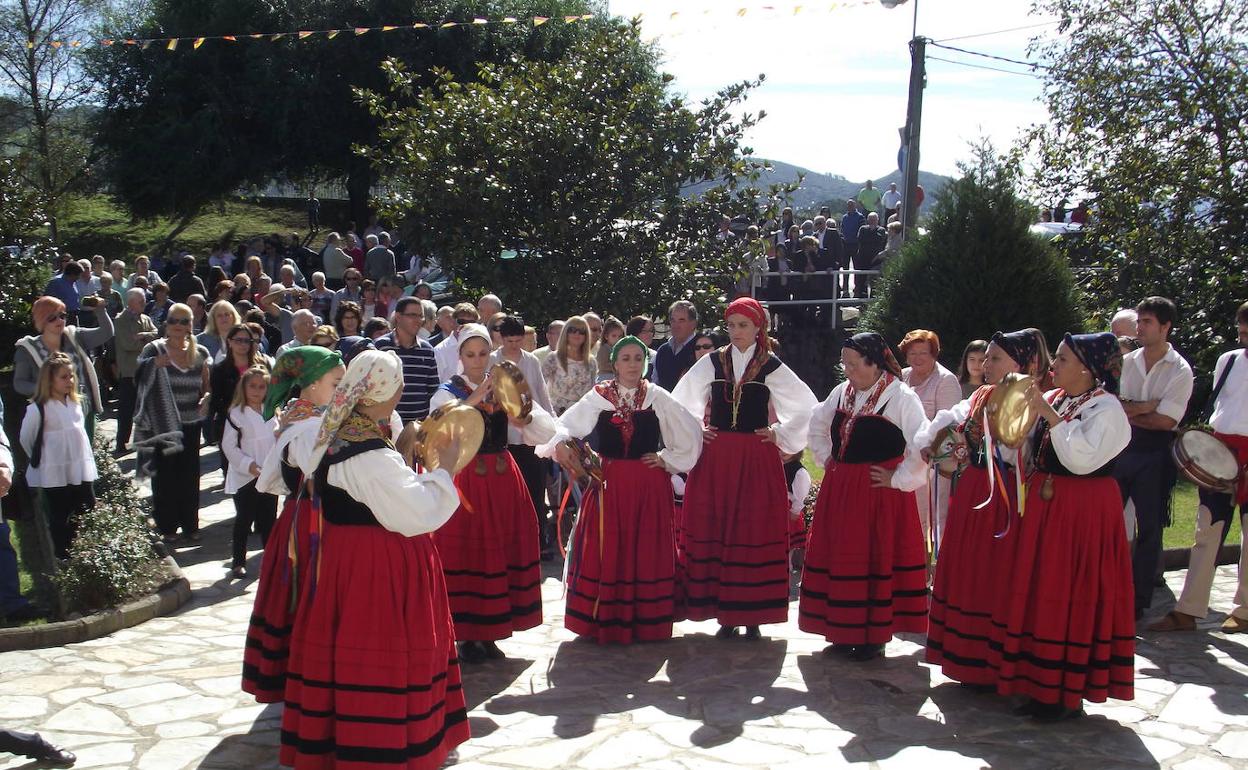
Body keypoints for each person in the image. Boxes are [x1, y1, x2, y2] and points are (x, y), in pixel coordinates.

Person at [279, 350, 467, 770]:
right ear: (389, 389)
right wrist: (445, 470)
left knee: (346, 649)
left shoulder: (333, 430)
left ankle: (339, 738)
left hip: (343, 558)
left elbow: (288, 470)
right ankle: (377, 747)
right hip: (377, 564)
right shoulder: (365, 452)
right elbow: (416, 512)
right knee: (379, 652)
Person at [992, 332, 1133, 721]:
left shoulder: (1108, 411)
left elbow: (1081, 459)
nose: (1053, 366)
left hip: (1084, 510)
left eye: (1063, 360)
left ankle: (1066, 692)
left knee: (1071, 591)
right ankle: (1039, 684)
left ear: (1087, 369)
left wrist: (1049, 416)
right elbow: (1023, 446)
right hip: (1047, 504)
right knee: (1042, 589)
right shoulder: (1058, 399)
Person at [671, 297, 817, 639]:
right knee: (719, 526)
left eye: (744, 325)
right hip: (717, 455)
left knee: (752, 528)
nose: (737, 332)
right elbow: (680, 401)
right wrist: (696, 431)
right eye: (732, 325)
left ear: (758, 328)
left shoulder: (770, 365)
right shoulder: (712, 362)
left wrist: (779, 433)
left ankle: (752, 613)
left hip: (755, 456)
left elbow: (808, 406)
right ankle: (723, 611)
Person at [541, 335, 703, 643]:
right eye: (626, 358)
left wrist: (667, 458)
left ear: (645, 363)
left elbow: (689, 432)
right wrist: (561, 445)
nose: (632, 364)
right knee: (609, 544)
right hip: (610, 483)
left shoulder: (657, 396)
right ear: (614, 363)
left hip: (648, 484)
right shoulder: (599, 396)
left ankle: (646, 619)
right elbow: (565, 425)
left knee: (645, 546)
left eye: (638, 359)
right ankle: (604, 617)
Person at [915, 329, 1050, 685]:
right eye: (986, 357)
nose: (986, 364)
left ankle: (990, 659)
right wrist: (932, 441)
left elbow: (1016, 447)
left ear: (1020, 363)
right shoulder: (982, 395)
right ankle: (967, 657)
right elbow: (947, 420)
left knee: (992, 574)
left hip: (1005, 496)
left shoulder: (1032, 399)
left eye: (995, 358)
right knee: (967, 569)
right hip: (975, 489)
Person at [429, 324, 556, 663]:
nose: (477, 360)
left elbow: (541, 427)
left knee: (500, 547)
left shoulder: (503, 386)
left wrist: (521, 416)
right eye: (470, 354)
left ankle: (494, 629)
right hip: (465, 478)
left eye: (483, 353)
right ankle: (468, 634)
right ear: (459, 356)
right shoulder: (447, 391)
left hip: (501, 474)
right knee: (468, 551)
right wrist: (474, 398)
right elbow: (437, 429)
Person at [800, 333, 929, 661]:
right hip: (842, 489)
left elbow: (922, 443)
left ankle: (874, 635)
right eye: (845, 363)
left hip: (877, 493)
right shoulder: (841, 393)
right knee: (843, 556)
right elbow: (817, 424)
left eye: (854, 364)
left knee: (873, 557)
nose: (848, 370)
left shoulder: (900, 396)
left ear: (874, 363)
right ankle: (843, 630)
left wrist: (898, 477)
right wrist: (828, 458)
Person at [242, 346, 345, 703]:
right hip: (309, 524)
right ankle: (303, 675)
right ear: (313, 383)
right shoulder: (306, 425)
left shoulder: (306, 418)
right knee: (306, 595)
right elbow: (317, 468)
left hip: (309, 518)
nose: (342, 388)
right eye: (337, 381)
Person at [1152, 302, 1248, 634]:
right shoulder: (1229, 360)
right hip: (1222, 450)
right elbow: (1221, 404)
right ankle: (1189, 609)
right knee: (1206, 529)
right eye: (1240, 327)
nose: (1242, 333)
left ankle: (1246, 608)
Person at [1114, 297, 1194, 620]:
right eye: (1139, 321)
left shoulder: (1180, 370)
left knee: (1149, 528)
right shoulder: (1128, 361)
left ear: (1165, 327)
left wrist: (1134, 410)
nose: (1140, 328)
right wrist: (1144, 407)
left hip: (1156, 452)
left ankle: (1138, 600)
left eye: (1146, 322)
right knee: (1108, 520)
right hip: (1123, 447)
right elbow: (1116, 406)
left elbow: (1166, 421)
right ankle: (1105, 589)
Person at [134, 303, 209, 543]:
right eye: (174, 320)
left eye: (184, 321)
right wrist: (153, 365)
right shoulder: (153, 350)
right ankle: (167, 526)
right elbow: (136, 379)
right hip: (162, 425)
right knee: (165, 479)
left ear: (191, 325)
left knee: (189, 477)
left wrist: (207, 399)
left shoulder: (200, 353)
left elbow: (206, 387)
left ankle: (190, 525)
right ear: (166, 323)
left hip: (190, 424)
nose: (178, 326)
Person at [20, 353, 97, 560]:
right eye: (63, 377)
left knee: (87, 508)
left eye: (71, 376)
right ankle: (63, 555)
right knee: (60, 514)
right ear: (50, 379)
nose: (70, 381)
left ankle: (87, 550)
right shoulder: (38, 409)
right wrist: (45, 461)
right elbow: (26, 438)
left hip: (79, 468)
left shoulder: (77, 404)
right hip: (55, 471)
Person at [490, 315, 557, 557]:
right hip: (502, 434)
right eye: (510, 340)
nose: (515, 345)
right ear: (501, 338)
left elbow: (541, 394)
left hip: (530, 434)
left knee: (535, 489)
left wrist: (551, 428)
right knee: (505, 493)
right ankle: (508, 544)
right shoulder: (491, 360)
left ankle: (538, 542)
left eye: (519, 340)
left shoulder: (531, 361)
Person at [15, 296, 114, 439]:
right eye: (52, 318)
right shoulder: (27, 349)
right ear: (41, 320)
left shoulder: (75, 336)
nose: (59, 321)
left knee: (85, 456)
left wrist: (100, 309)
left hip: (83, 408)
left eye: (62, 316)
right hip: (51, 414)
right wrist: (47, 389)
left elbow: (107, 332)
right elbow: (19, 383)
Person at [900, 330, 962, 543]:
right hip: (901, 461)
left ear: (934, 354)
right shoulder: (902, 376)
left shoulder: (946, 381)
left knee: (930, 520)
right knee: (904, 519)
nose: (916, 358)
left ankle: (931, 572)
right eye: (912, 353)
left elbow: (950, 427)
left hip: (931, 465)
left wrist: (930, 451)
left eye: (923, 353)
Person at [221, 366, 279, 579]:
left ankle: (271, 558)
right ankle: (238, 561)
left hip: (268, 473)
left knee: (269, 519)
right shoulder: (236, 415)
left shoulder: (272, 411)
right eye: (252, 386)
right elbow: (229, 446)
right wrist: (248, 465)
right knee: (244, 518)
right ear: (243, 388)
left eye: (261, 386)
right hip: (246, 475)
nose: (256, 391)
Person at [207, 323, 271, 464]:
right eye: (238, 340)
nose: (243, 344)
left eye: (247, 341)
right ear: (229, 342)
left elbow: (270, 394)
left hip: (260, 423)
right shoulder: (220, 369)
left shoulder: (261, 366)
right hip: (232, 424)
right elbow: (216, 400)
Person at [374, 297, 440, 423]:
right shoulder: (380, 347)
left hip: (418, 428)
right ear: (398, 317)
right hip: (387, 427)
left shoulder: (427, 350)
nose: (418, 321)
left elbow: (433, 390)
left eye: (420, 316)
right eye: (412, 315)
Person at [112, 289, 159, 453]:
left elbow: (157, 335)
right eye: (141, 301)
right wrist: (146, 341)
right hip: (129, 371)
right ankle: (121, 442)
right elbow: (127, 344)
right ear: (131, 302)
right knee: (127, 408)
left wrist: (142, 335)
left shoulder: (145, 318)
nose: (144, 304)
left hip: (147, 370)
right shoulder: (120, 320)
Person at [542, 316, 598, 415]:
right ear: (565, 333)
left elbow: (592, 391)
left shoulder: (591, 362)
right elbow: (540, 386)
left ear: (586, 335)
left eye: (582, 331)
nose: (577, 334)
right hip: (556, 414)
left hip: (581, 414)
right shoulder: (553, 358)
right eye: (573, 330)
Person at [654, 300, 699, 391]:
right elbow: (655, 383)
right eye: (673, 320)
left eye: (681, 320)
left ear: (693, 323)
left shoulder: (700, 348)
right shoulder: (663, 350)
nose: (676, 325)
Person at [197, 300, 242, 364]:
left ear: (234, 317)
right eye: (219, 315)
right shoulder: (201, 340)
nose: (224, 318)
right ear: (213, 319)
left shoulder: (243, 338)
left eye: (227, 314)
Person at [854, 213, 887, 298]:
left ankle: (873, 301)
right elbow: (861, 239)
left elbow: (880, 240)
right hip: (863, 260)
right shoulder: (863, 229)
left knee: (875, 283)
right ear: (867, 220)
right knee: (862, 282)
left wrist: (871, 234)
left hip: (875, 261)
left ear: (877, 220)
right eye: (870, 220)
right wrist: (872, 235)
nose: (872, 222)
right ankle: (862, 302)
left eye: (874, 220)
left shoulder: (881, 230)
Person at [593, 315, 626, 382]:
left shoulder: (622, 349)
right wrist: (620, 366)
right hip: (605, 378)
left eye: (620, 336)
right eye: (614, 336)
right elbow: (602, 365)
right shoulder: (604, 348)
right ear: (606, 336)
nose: (617, 339)